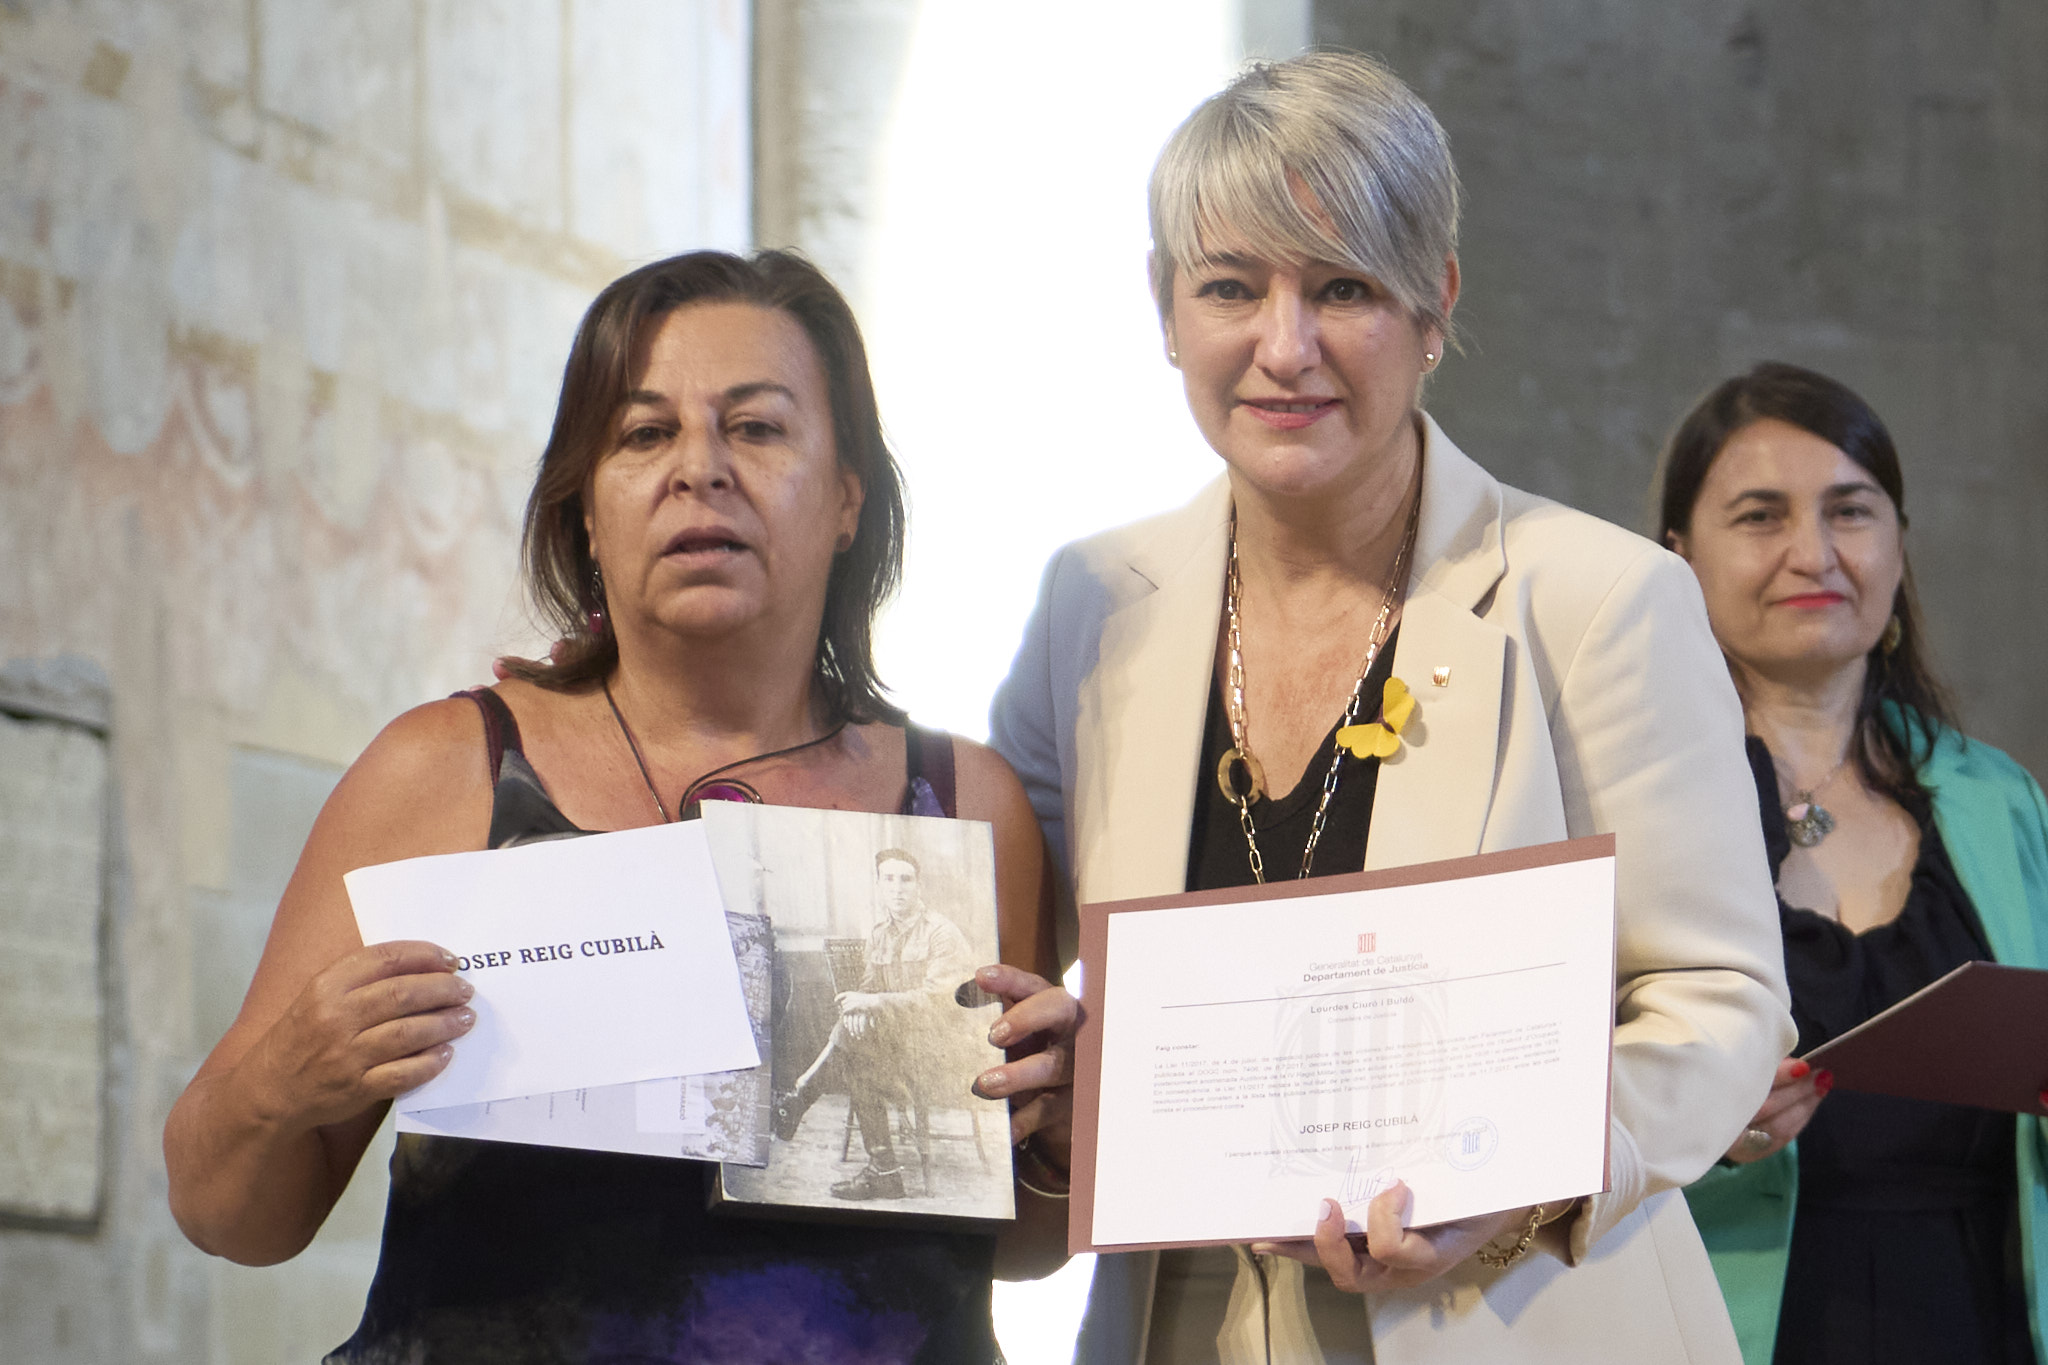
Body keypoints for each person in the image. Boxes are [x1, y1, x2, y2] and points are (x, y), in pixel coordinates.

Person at [988, 52, 1794, 1364]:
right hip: (1180, 1319)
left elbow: (1722, 999)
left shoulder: (1596, 600)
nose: (1283, 347)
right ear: (1165, 307)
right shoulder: (1094, 602)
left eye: (1343, 288)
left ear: (1435, 308)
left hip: (1514, 1319)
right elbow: (1006, 938)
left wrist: (1529, 1176)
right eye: (1230, 287)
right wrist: (1061, 1073)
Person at [162, 249, 1075, 1363]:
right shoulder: (445, 773)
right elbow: (230, 1216)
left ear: (847, 498)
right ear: (585, 508)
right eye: (644, 434)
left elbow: (1019, 1244)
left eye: (757, 428)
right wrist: (288, 1077)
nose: (700, 470)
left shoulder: (964, 806)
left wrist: (1055, 1130)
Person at [1660, 362, 2048, 1365]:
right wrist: (1697, 1123)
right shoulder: (1631, 799)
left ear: (1897, 545)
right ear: (1677, 557)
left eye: (1850, 511)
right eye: (1760, 516)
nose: (1813, 553)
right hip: (1729, 1320)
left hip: (1979, 1315)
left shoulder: (2000, 800)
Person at [774, 846, 980, 1200]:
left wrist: (872, 1003)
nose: (897, 888)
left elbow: (939, 1003)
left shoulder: (941, 933)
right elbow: (868, 988)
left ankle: (802, 1097)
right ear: (879, 886)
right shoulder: (879, 933)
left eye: (906, 879)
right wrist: (858, 1009)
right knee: (858, 1052)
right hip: (896, 1045)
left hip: (942, 1050)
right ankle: (883, 1172)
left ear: (919, 885)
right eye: (889, 879)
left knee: (859, 1054)